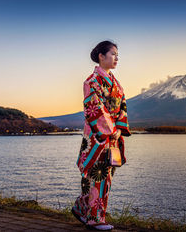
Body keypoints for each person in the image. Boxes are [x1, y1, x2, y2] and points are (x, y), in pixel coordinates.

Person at [72, 40, 131, 231]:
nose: (116, 58)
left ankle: (82, 208)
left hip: (112, 137)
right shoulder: (91, 81)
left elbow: (122, 107)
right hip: (97, 137)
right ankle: (94, 219)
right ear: (101, 56)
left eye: (117, 55)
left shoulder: (116, 84)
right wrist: (110, 129)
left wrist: (119, 128)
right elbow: (94, 108)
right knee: (95, 174)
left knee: (106, 175)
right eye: (113, 54)